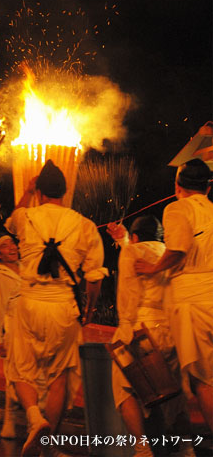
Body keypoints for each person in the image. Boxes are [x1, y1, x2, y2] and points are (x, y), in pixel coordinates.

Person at [4, 160, 107, 457]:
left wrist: (26, 191)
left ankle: (34, 418)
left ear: (40, 192)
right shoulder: (84, 224)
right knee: (60, 375)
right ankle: (48, 444)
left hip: (29, 302)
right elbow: (94, 276)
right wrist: (88, 310)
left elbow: (11, 221)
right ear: (66, 190)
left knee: (22, 369)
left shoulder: (26, 216)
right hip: (63, 305)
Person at [134, 158, 213, 432]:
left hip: (193, 302)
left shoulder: (177, 208)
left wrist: (154, 267)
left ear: (177, 185)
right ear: (208, 187)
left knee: (202, 378)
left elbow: (177, 248)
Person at [107, 217, 195, 457]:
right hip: (169, 331)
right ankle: (186, 447)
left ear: (135, 237)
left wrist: (124, 332)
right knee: (174, 394)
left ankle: (142, 448)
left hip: (140, 330)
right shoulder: (170, 253)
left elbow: (127, 295)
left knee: (125, 389)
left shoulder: (131, 252)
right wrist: (123, 240)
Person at [0, 234, 23, 439]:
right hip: (15, 331)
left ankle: (38, 421)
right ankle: (9, 420)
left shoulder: (28, 267)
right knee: (14, 375)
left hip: (37, 328)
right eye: (6, 246)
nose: (12, 247)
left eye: (13, 243)